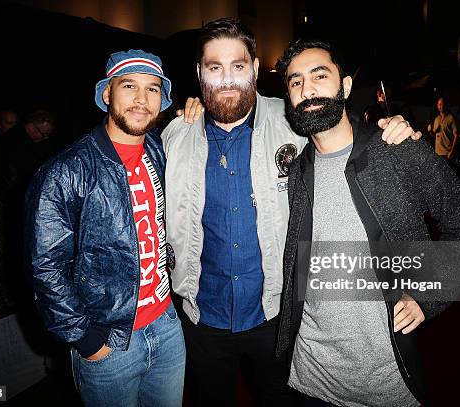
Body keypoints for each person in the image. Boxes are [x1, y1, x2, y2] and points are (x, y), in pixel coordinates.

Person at [161, 18, 421, 406]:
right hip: (202, 320)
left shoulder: (292, 122)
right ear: (199, 73)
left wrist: (393, 130)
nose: (227, 79)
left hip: (279, 316)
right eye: (214, 68)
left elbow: (340, 129)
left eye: (238, 66)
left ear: (253, 68)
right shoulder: (174, 135)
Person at [274, 39, 460, 406]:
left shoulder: (399, 150)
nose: (307, 89)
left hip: (386, 383)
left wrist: (427, 296)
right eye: (295, 82)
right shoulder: (297, 171)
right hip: (308, 377)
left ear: (346, 86)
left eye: (319, 76)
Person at [25, 49, 185, 407]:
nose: (142, 99)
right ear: (107, 94)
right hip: (108, 341)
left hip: (167, 324)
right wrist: (86, 340)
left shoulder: (159, 151)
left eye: (153, 89)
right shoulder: (66, 172)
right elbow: (45, 267)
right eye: (130, 86)